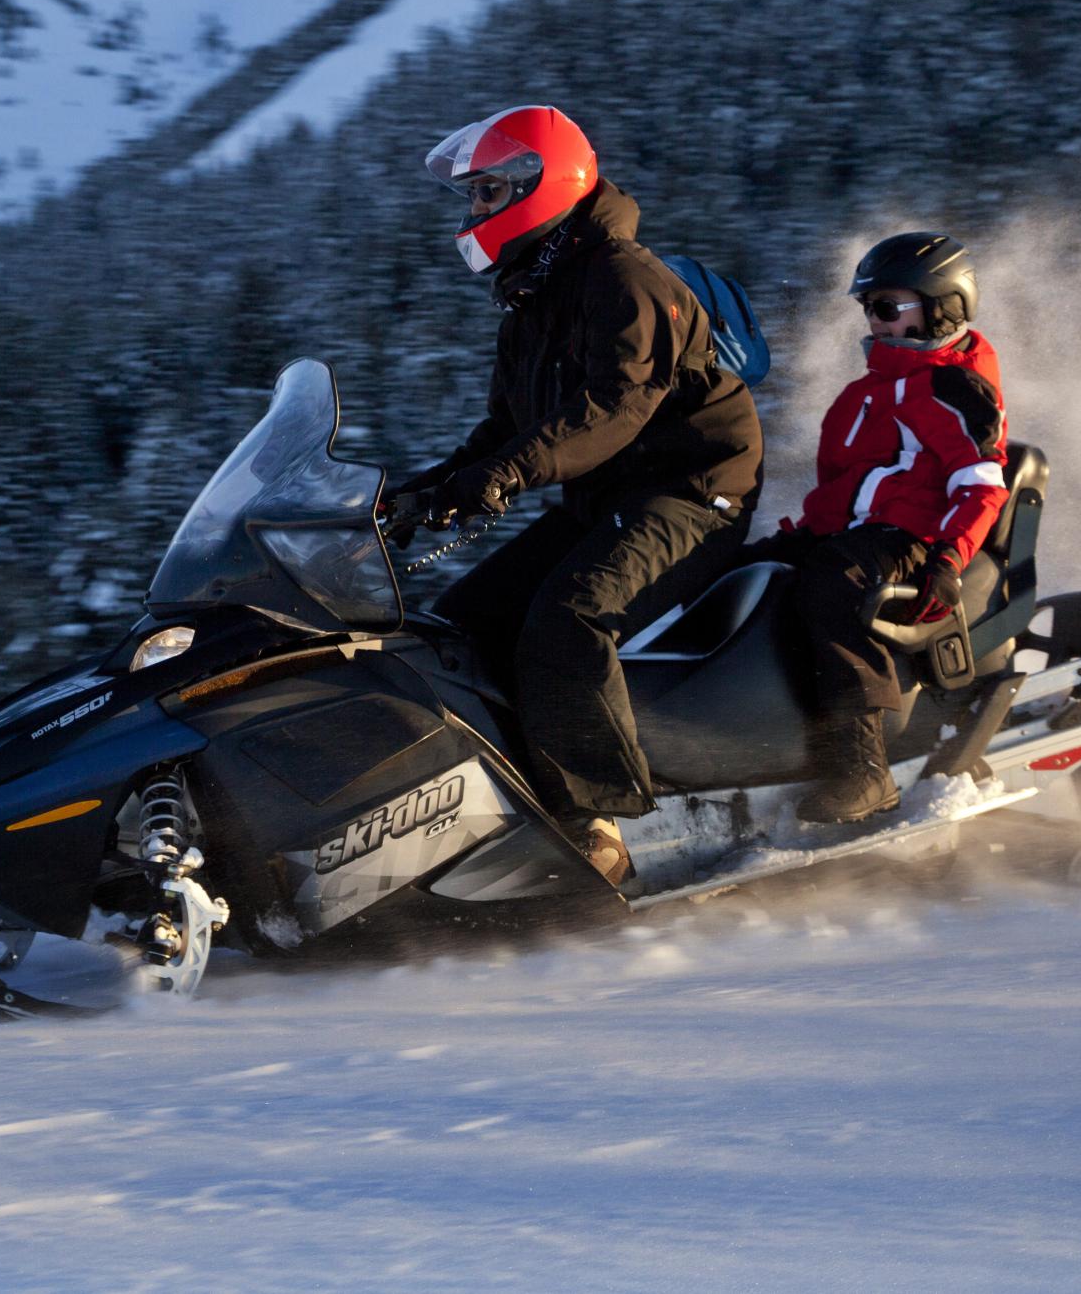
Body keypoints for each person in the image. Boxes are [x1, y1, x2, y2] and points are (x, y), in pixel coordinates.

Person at [387, 105, 764, 884]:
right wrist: (415, 496)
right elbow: (505, 427)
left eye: (489, 194)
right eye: (474, 197)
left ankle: (601, 830)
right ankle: (500, 810)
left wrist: (503, 476)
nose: (475, 212)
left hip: (695, 491)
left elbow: (614, 408)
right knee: (460, 623)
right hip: (608, 495)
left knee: (569, 616)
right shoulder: (533, 295)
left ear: (543, 184)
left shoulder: (625, 279)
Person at [745, 232, 1008, 825]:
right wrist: (793, 536)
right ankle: (760, 746)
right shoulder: (866, 393)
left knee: (832, 583)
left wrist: (949, 558)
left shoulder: (952, 386)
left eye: (889, 307)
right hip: (858, 533)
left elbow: (982, 483)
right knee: (749, 576)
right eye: (869, 308)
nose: (874, 320)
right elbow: (844, 492)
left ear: (943, 306)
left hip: (915, 538)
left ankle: (865, 771)